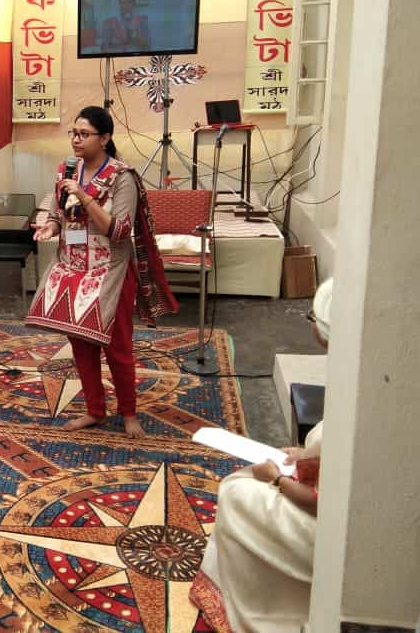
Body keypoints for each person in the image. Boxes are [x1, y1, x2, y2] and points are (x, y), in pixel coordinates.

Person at [190, 279, 333, 632]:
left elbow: (322, 503)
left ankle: (255, 608)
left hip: (328, 530)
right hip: (320, 495)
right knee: (241, 481)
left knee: (236, 491)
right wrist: (304, 454)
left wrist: (278, 479)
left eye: (312, 317)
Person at [25, 106, 177, 438]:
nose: (76, 140)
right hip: (72, 268)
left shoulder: (122, 177)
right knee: (81, 346)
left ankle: (128, 412)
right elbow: (59, 212)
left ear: (105, 138)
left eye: (84, 134)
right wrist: (51, 226)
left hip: (110, 272)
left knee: (117, 348)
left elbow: (119, 231)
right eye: (74, 133)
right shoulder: (67, 168)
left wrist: (84, 196)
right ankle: (95, 410)